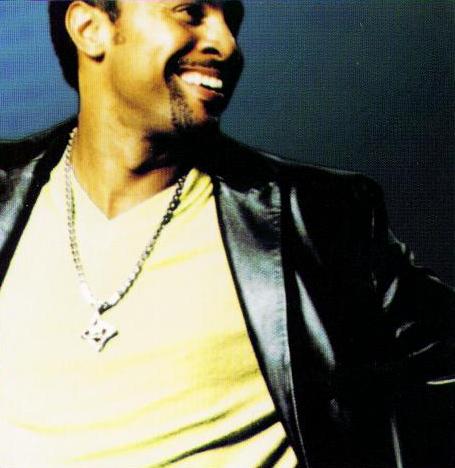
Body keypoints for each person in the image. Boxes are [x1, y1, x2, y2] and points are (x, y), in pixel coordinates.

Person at [0, 1, 453, 467]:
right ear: (90, 29)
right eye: (190, 13)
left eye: (231, 20)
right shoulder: (7, 197)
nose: (227, 44)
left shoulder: (319, 222)